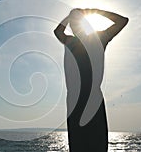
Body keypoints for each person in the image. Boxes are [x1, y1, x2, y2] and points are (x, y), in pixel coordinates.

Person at [54, 8, 128, 152]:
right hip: (80, 103)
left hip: (86, 102)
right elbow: (57, 32)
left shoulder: (96, 39)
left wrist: (93, 12)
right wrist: (93, 12)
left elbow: (123, 21)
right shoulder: (76, 41)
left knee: (92, 146)